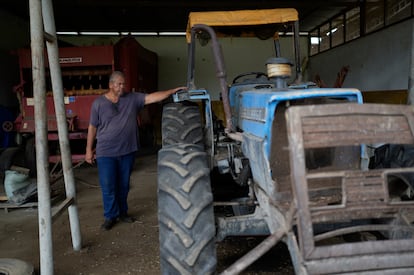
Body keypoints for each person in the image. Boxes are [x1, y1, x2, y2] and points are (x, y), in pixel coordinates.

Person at [85, 71, 186, 230]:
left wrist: (171, 91)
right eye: (119, 84)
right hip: (106, 152)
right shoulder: (98, 103)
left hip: (127, 151)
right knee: (108, 186)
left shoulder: (132, 99)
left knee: (124, 185)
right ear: (111, 85)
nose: (122, 86)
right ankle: (110, 216)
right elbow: (92, 127)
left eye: (123, 83)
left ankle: (123, 213)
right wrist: (88, 150)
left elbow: (152, 97)